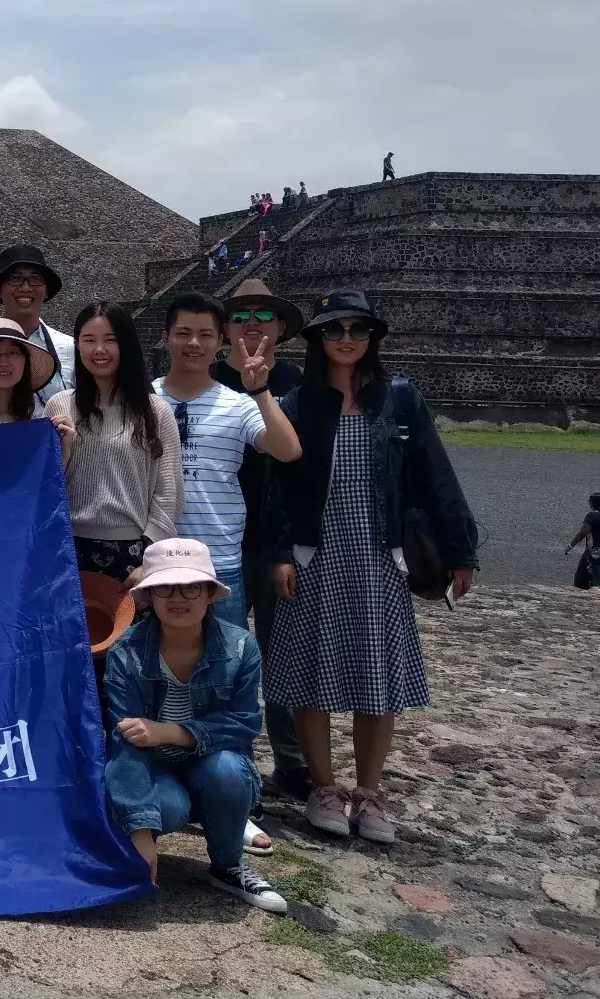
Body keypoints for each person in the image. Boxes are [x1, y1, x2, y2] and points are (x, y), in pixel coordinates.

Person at [264, 290, 478, 844]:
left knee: (374, 672)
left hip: (379, 553)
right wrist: (281, 554)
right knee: (312, 672)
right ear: (317, 339)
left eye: (358, 331)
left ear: (372, 339)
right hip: (316, 552)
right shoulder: (297, 403)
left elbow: (435, 474)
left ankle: (370, 791)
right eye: (335, 331)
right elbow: (278, 490)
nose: (347, 340)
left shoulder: (399, 400)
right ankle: (323, 786)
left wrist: (461, 548)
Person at [102, 539, 286, 914]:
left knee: (230, 770)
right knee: (167, 809)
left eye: (191, 586)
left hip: (215, 762)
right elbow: (125, 741)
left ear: (211, 594)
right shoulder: (126, 651)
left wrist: (168, 731)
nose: (178, 597)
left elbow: (244, 725)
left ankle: (229, 864)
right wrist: (141, 829)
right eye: (165, 587)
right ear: (149, 595)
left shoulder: (240, 647)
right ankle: (141, 843)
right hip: (153, 767)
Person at [212, 279, 309, 800]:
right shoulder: (204, 378)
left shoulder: (298, 383)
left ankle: (292, 761)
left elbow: (303, 475)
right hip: (217, 543)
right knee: (218, 660)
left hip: (275, 545)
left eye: (263, 316)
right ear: (224, 328)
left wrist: (287, 548)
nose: (252, 324)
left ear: (281, 329)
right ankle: (225, 763)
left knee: (282, 655)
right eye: (242, 316)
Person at [153, 292, 302, 631]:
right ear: (165, 339)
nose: (194, 343)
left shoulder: (237, 405)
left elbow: (288, 450)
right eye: (183, 333)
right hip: (158, 555)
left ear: (220, 341)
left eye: (205, 335)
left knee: (226, 669)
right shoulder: (145, 399)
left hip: (218, 558)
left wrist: (260, 390)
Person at [47, 304, 181, 581]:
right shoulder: (60, 405)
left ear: (126, 344)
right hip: (65, 547)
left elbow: (168, 493)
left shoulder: (155, 411)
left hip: (133, 552)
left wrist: (150, 557)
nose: (99, 349)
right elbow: (46, 487)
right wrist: (66, 449)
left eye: (110, 340)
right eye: (89, 340)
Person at [0, 246, 71, 405]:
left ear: (47, 290)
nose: (26, 287)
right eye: (15, 279)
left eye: (36, 279)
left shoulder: (71, 349)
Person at [568, 493, 600, 589]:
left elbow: (583, 532)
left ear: (593, 504)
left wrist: (570, 546)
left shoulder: (591, 515)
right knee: (594, 582)